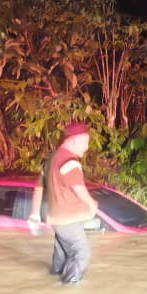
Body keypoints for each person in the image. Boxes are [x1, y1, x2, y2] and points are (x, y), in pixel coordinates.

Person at [29, 120, 99, 285]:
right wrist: (91, 204)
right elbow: (78, 188)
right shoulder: (70, 161)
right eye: (85, 142)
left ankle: (51, 283)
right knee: (82, 253)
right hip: (69, 220)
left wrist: (34, 213)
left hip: (56, 220)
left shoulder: (50, 160)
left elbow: (39, 187)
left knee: (62, 257)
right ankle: (68, 289)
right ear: (74, 140)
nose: (86, 148)